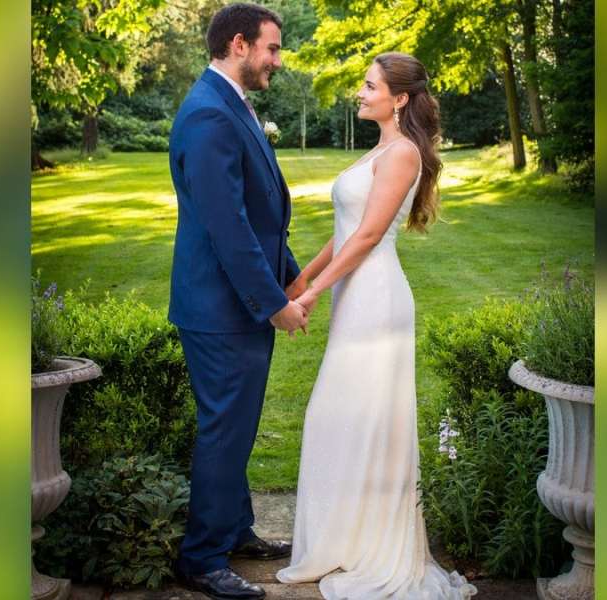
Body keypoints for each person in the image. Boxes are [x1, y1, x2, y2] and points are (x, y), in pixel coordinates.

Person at [276, 53, 478, 600]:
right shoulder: (383, 149)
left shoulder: (404, 154)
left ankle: (368, 548)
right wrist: (302, 279)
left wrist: (314, 293)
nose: (360, 93)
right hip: (356, 295)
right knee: (342, 418)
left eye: (370, 86)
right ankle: (343, 541)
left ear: (400, 98)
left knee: (348, 419)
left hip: (377, 300)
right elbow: (347, 231)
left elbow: (367, 238)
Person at [167, 4, 308, 599]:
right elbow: (227, 229)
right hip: (222, 310)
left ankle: (235, 528)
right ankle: (202, 557)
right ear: (239, 44)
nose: (277, 60)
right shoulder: (208, 114)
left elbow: (257, 211)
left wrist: (293, 274)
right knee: (224, 429)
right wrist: (273, 301)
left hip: (234, 306)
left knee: (237, 426)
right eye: (272, 49)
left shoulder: (229, 104)